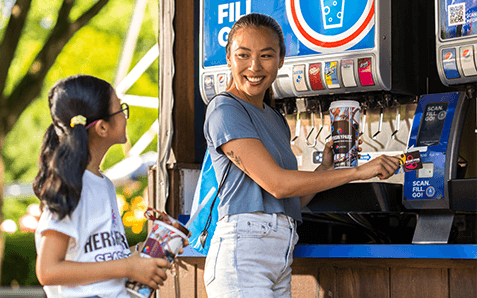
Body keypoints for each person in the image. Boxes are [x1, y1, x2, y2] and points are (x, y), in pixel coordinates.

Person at [203, 13, 400, 298]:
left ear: (281, 60)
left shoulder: (274, 118)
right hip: (243, 253)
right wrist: (360, 171)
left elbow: (289, 200)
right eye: (243, 55)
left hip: (278, 253)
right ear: (229, 58)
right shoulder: (225, 109)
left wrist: (325, 170)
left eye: (266, 56)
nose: (254, 66)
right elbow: (278, 184)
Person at [33, 75, 171, 298]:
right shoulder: (70, 184)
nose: (126, 118)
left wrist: (151, 247)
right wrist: (127, 267)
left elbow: (99, 255)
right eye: (120, 110)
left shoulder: (103, 183)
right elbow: (48, 270)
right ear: (103, 127)